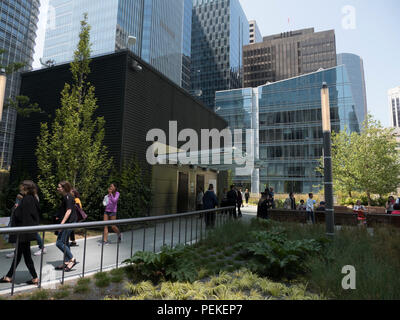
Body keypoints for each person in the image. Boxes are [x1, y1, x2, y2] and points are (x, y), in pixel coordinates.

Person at [0, 181, 40, 285]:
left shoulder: (27, 200)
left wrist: (17, 208)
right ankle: (9, 276)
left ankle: (35, 278)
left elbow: (21, 216)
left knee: (26, 256)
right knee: (19, 254)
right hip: (25, 232)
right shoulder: (32, 198)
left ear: (26, 188)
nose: (20, 188)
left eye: (21, 186)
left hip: (23, 232)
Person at [54, 181, 78, 272]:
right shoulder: (66, 197)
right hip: (68, 222)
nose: (57, 188)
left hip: (69, 223)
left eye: (59, 187)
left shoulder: (68, 197)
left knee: (59, 243)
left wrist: (62, 224)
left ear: (64, 188)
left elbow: (69, 211)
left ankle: (72, 259)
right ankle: (67, 262)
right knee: (66, 243)